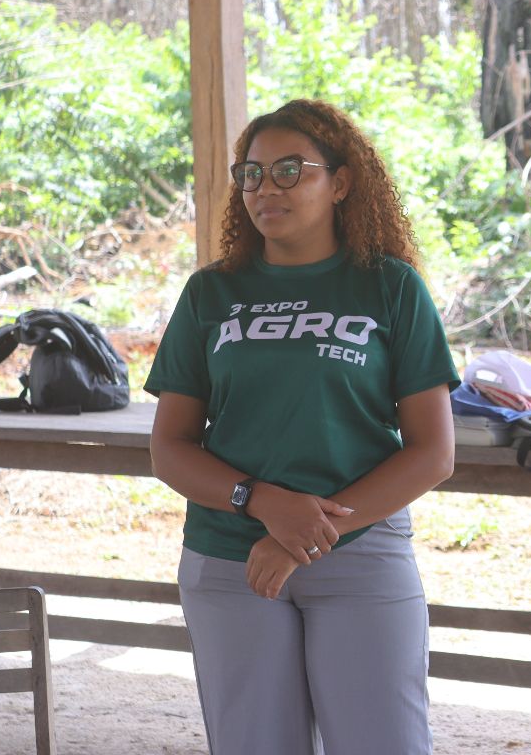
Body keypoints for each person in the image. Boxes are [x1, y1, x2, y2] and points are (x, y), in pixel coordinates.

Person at [146, 99, 458, 755]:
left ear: (339, 182)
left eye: (291, 170)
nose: (266, 189)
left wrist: (306, 536)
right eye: (252, 174)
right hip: (231, 558)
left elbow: (432, 452)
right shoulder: (212, 293)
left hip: (360, 553)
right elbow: (170, 448)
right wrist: (262, 504)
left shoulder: (390, 288)